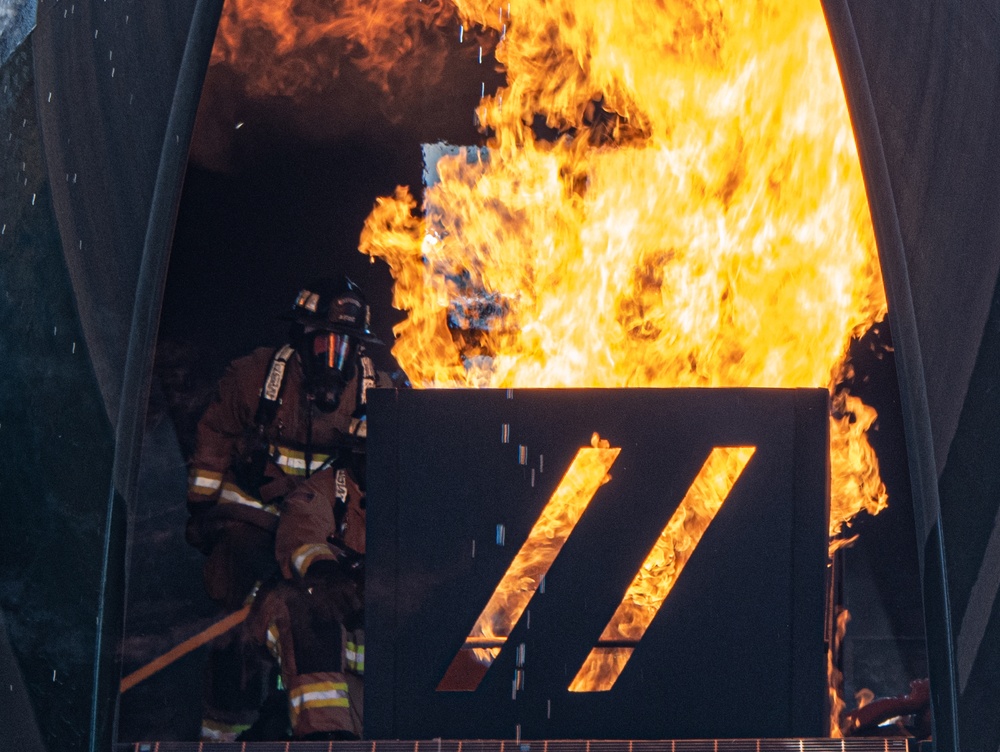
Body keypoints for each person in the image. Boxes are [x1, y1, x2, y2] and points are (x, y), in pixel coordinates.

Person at [184, 276, 393, 741]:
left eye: (345, 346)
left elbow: (398, 458)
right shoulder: (256, 378)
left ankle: (302, 716)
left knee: (308, 615)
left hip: (322, 534)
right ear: (300, 338)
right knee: (236, 633)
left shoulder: (379, 393)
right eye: (323, 343)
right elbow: (215, 431)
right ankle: (224, 734)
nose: (332, 357)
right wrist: (202, 504)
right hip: (255, 526)